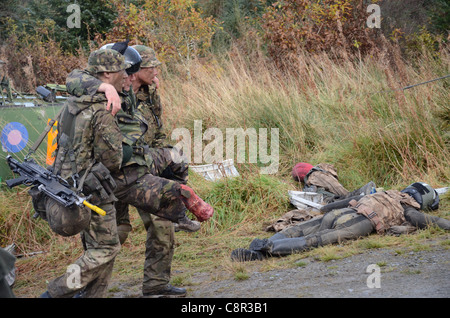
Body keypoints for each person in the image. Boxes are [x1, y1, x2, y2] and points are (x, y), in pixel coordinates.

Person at [65, 43, 213, 297]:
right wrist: (106, 87)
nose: (156, 70)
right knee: (112, 238)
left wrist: (160, 164)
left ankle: (156, 284)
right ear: (131, 70)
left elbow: (159, 132)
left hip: (141, 169)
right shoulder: (102, 89)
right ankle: (83, 289)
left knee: (162, 223)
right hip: (109, 176)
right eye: (151, 65)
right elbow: (75, 79)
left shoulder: (147, 93)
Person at [41, 48, 128, 298]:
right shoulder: (101, 111)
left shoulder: (73, 103)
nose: (125, 77)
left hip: (71, 183)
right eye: (122, 71)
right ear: (109, 74)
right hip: (94, 192)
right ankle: (56, 290)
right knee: (106, 249)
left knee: (99, 248)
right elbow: (113, 160)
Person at [231, 182, 450, 261]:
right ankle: (268, 248)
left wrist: (326, 208)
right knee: (318, 241)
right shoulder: (407, 209)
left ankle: (263, 245)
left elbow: (340, 203)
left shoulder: (386, 192)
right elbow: (432, 221)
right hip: (360, 222)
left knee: (300, 228)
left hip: (343, 211)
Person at [292, 162, 376, 202]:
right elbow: (339, 190)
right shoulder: (317, 175)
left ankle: (364, 194)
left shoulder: (316, 175)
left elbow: (338, 190)